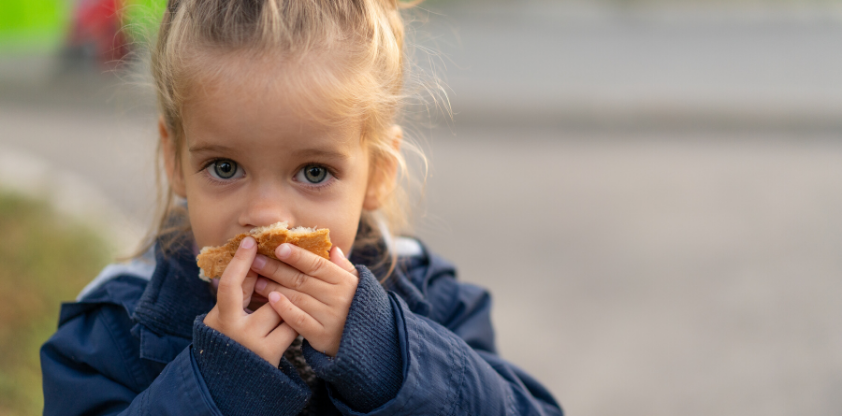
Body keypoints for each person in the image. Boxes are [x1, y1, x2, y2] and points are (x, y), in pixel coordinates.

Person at [40, 0, 563, 414]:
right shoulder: (115, 329)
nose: (268, 216)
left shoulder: (432, 301)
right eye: (224, 167)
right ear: (174, 159)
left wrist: (389, 355)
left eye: (314, 173)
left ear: (378, 173)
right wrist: (215, 387)